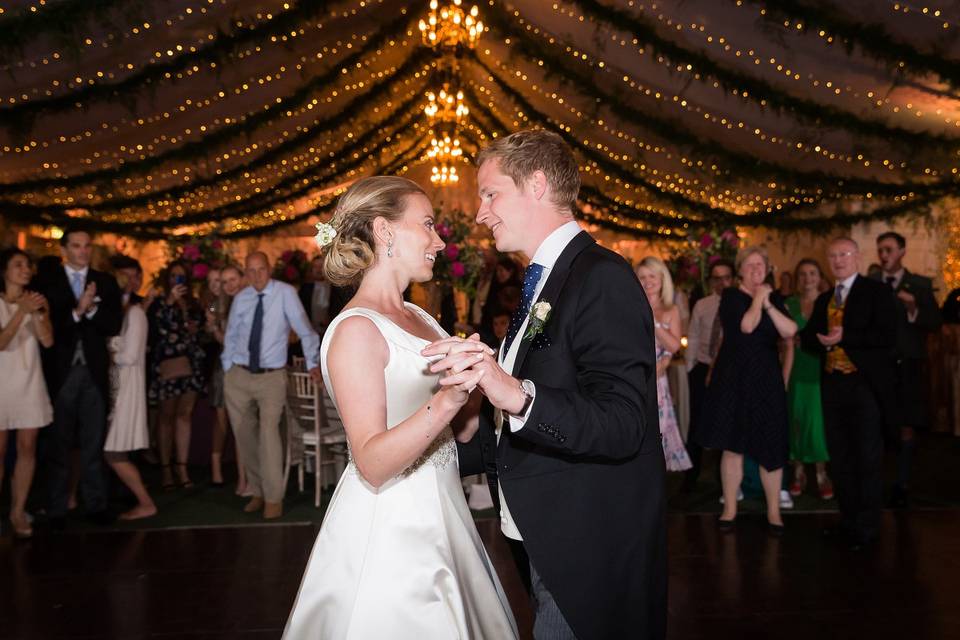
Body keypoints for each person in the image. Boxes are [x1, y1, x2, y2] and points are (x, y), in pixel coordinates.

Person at [424, 130, 666, 639]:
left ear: (536, 185)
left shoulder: (601, 277)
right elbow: (530, 418)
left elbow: (624, 424)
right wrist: (425, 456)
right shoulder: (545, 279)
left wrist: (512, 392)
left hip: (588, 548)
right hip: (546, 537)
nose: (480, 213)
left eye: (490, 193)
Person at [283, 176, 518, 638]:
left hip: (446, 515)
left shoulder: (423, 318)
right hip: (393, 532)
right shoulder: (355, 329)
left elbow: (464, 433)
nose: (438, 240)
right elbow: (370, 463)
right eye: (427, 225)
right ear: (384, 231)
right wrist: (449, 398)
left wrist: (473, 380)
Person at [801, 238, 897, 551]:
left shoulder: (876, 292)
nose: (838, 260)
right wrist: (822, 340)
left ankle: (868, 528)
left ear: (856, 256)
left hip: (864, 385)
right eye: (832, 255)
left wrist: (847, 337)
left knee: (866, 458)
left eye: (843, 254)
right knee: (839, 457)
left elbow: (887, 335)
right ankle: (848, 521)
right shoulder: (826, 298)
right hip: (832, 385)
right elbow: (808, 340)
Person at [695, 246, 797, 534]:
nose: (755, 270)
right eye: (750, 265)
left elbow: (789, 331)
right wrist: (758, 302)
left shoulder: (774, 298)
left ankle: (774, 512)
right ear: (740, 270)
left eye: (760, 265)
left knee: (771, 444)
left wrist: (766, 302)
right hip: (734, 379)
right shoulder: (730, 297)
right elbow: (747, 327)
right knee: (733, 445)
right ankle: (729, 509)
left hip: (766, 379)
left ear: (767, 269)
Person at [222, 252, 320, 520]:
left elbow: (305, 330)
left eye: (261, 269)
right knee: (244, 437)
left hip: (271, 377)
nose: (256, 276)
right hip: (238, 375)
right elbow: (231, 335)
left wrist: (313, 362)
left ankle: (274, 497)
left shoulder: (285, 293)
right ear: (245, 273)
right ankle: (258, 490)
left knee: (268, 435)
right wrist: (226, 366)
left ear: (269, 269)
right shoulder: (242, 298)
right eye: (250, 271)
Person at [38, 227, 123, 529]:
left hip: (93, 372)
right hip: (61, 372)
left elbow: (114, 324)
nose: (83, 251)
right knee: (59, 443)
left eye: (87, 246)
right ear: (64, 250)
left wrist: (90, 313)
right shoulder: (47, 283)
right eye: (76, 246)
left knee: (92, 442)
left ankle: (96, 505)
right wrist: (77, 311)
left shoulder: (106, 283)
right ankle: (57, 507)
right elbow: (48, 328)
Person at [874, 231, 941, 507]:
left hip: (908, 366)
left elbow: (935, 322)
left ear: (902, 251)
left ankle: (902, 482)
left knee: (905, 426)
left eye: (889, 249)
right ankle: (875, 481)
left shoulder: (919, 285)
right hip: (879, 366)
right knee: (876, 425)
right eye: (880, 250)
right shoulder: (871, 283)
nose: (884, 255)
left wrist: (913, 309)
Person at [0, 248, 54, 538]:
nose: (25, 269)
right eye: (18, 264)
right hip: (1, 383)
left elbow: (47, 341)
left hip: (29, 381)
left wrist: (37, 314)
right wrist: (20, 312)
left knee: (27, 446)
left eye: (27, 265)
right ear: (4, 271)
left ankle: (18, 510)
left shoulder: (36, 301)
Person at [104, 256, 156, 520]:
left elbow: (130, 356)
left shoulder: (136, 313)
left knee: (114, 451)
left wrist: (109, 347)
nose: (129, 281)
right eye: (124, 275)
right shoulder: (116, 309)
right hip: (115, 386)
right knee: (114, 449)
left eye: (134, 277)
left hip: (126, 388)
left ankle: (145, 502)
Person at [148, 261, 206, 490]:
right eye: (174, 276)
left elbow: (199, 331)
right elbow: (158, 328)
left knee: (184, 416)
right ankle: (166, 469)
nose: (177, 281)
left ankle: (181, 467)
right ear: (167, 279)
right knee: (166, 418)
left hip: (191, 367)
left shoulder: (193, 304)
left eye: (181, 277)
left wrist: (191, 321)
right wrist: (171, 302)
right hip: (169, 367)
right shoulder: (161, 302)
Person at [637, 257, 692, 472]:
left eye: (652, 276)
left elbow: (674, 345)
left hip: (658, 383)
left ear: (662, 278)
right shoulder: (631, 306)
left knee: (658, 431)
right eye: (642, 277)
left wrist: (653, 321)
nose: (648, 281)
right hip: (635, 376)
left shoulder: (671, 310)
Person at [784, 259, 833, 499]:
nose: (807, 278)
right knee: (796, 420)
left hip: (819, 371)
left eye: (812, 273)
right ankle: (798, 472)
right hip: (795, 370)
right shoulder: (788, 304)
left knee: (818, 424)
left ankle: (822, 473)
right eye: (802, 274)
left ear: (820, 276)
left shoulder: (829, 303)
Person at [684, 258, 734, 489]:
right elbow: (693, 336)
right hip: (702, 366)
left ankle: (723, 478)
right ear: (711, 280)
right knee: (697, 421)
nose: (722, 282)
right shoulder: (703, 305)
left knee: (725, 421)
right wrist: (691, 366)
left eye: (726, 277)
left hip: (727, 370)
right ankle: (691, 474)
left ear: (732, 279)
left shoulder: (739, 304)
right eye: (717, 278)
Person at [206, 263, 248, 493]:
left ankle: (245, 480)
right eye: (223, 282)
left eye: (232, 280)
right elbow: (228, 344)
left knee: (241, 427)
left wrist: (214, 330)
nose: (228, 285)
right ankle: (235, 477)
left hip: (243, 369)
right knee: (226, 425)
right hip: (226, 370)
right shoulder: (223, 305)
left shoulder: (246, 301)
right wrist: (212, 329)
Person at [298, 255, 332, 334]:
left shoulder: (335, 289)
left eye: (321, 266)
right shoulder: (305, 288)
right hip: (309, 331)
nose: (318, 270)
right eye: (315, 266)